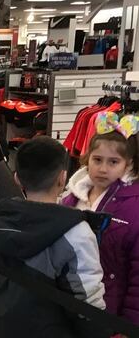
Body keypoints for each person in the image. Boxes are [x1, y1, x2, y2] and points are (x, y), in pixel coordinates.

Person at [0, 136, 110, 338]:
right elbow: (87, 300)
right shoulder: (76, 231)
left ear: (17, 179)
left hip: (1, 327)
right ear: (62, 178)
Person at [61, 121, 139, 325]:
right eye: (97, 160)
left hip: (108, 310)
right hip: (69, 305)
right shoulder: (71, 198)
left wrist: (129, 325)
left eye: (113, 162)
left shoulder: (133, 207)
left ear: (128, 164)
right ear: (88, 159)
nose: (103, 169)